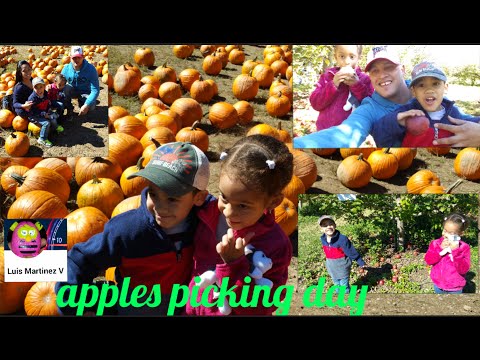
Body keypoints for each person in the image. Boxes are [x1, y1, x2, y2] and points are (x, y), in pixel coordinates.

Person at [54, 141, 211, 316]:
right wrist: (72, 304)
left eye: (172, 199)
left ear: (198, 198)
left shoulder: (204, 222)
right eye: (153, 194)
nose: (160, 206)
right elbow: (78, 260)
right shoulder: (127, 229)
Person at [185, 134, 294, 316]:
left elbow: (262, 307)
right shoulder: (206, 213)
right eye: (224, 198)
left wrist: (234, 266)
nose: (228, 212)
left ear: (273, 202)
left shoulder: (276, 246)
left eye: (243, 206)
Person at [293, 45, 480, 148]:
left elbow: (460, 120)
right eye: (374, 71)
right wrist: (295, 145)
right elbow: (344, 134)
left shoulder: (426, 91)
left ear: (403, 70)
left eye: (389, 67)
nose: (382, 75)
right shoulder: (370, 108)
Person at [371, 61, 480, 147]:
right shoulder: (407, 112)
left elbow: (472, 123)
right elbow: (380, 137)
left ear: (445, 87)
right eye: (421, 85)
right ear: (413, 91)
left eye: (435, 84)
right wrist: (396, 120)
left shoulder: (453, 113)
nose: (429, 90)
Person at [310, 45, 373, 131]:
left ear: (359, 57)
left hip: (349, 133)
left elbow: (369, 105)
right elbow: (315, 103)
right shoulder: (327, 77)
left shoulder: (364, 79)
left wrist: (357, 85)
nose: (347, 61)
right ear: (336, 57)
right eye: (342, 56)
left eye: (352, 57)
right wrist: (333, 85)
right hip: (324, 131)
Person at [424, 213, 471, 294]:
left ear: (461, 234)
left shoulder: (464, 247)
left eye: (451, 233)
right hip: (438, 284)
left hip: (455, 287)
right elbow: (428, 260)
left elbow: (463, 270)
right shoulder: (436, 243)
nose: (446, 235)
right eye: (445, 230)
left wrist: (455, 251)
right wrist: (440, 248)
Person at [317, 215, 365, 293]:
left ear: (335, 225)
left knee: (344, 285)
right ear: (321, 229)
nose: (328, 227)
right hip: (332, 267)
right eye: (325, 225)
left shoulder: (342, 239)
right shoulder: (323, 239)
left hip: (343, 266)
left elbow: (351, 251)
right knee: (336, 283)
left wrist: (359, 260)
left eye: (330, 224)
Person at [61, 45, 100, 118]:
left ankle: (83, 102)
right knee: (65, 88)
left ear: (83, 57)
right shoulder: (66, 69)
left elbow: (95, 90)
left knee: (91, 106)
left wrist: (87, 104)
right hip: (72, 91)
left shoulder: (91, 69)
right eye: (74, 58)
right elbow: (59, 82)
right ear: (70, 58)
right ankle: (69, 108)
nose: (76, 60)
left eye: (79, 57)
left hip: (85, 93)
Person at [27, 77, 64, 148]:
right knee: (46, 123)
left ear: (44, 86)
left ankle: (56, 127)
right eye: (36, 87)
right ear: (33, 88)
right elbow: (32, 110)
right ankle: (42, 139)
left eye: (41, 87)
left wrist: (48, 110)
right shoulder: (32, 98)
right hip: (34, 115)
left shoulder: (45, 93)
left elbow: (47, 102)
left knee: (52, 117)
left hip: (44, 112)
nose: (39, 89)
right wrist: (43, 114)